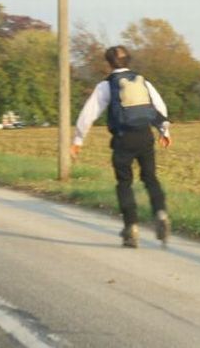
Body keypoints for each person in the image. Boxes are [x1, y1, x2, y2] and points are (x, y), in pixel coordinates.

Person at [70, 45, 172, 248]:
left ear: (109, 63)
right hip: (145, 135)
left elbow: (89, 113)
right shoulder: (143, 80)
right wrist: (164, 131)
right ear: (129, 61)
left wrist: (78, 140)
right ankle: (160, 212)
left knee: (124, 183)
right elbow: (159, 106)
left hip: (123, 138)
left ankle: (131, 226)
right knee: (150, 178)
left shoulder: (107, 85)